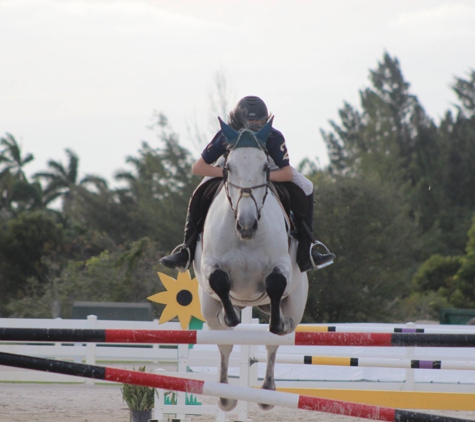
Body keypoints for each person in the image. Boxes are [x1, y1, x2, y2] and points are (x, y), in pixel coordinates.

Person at [160, 96, 335, 272]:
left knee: (307, 186)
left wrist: (260, 177)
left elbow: (287, 173)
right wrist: (227, 174)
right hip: (231, 164)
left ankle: (307, 248)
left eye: (259, 123)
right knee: (199, 191)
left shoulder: (273, 136)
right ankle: (186, 250)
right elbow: (198, 167)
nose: (254, 127)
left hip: (266, 164)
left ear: (266, 122)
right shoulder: (225, 135)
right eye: (250, 122)